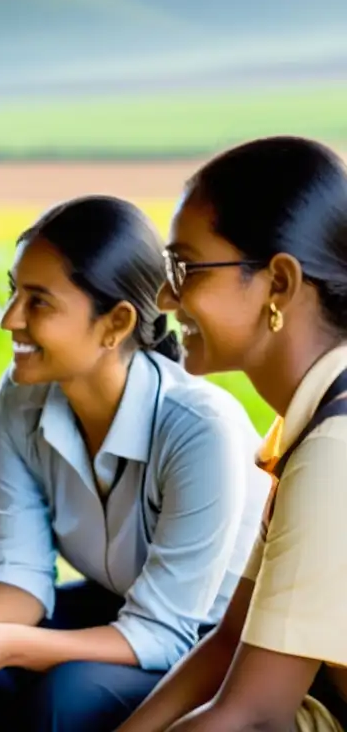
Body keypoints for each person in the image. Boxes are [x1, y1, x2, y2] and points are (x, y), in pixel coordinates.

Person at [0, 195, 272, 732]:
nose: (8, 320)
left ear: (116, 323)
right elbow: (21, 579)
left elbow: (165, 634)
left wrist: (3, 645)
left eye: (38, 302)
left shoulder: (198, 428)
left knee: (72, 692)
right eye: (12, 292)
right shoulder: (23, 399)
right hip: (122, 609)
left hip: (214, 641)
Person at [118, 136, 347, 732]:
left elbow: (252, 718)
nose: (166, 298)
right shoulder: (317, 417)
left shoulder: (333, 450)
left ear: (278, 283)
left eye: (185, 268)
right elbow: (229, 645)